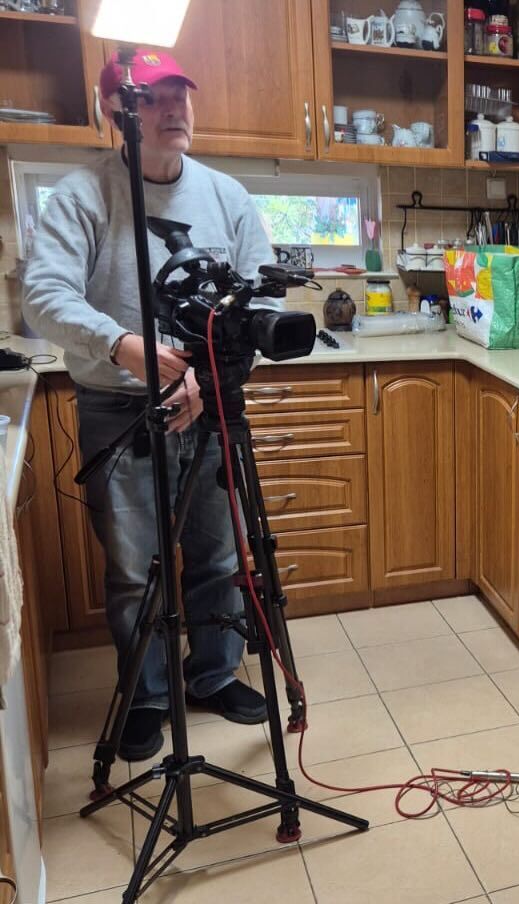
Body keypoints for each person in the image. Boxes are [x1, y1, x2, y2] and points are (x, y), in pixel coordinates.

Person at [22, 50, 274, 761]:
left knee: (216, 551)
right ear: (117, 112)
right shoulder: (83, 195)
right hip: (119, 404)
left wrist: (208, 373)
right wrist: (123, 345)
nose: (173, 110)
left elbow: (258, 298)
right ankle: (146, 693)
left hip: (207, 403)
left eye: (180, 96)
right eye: (154, 99)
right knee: (136, 567)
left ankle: (213, 673)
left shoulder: (226, 195)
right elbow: (44, 295)